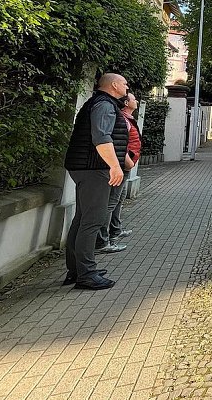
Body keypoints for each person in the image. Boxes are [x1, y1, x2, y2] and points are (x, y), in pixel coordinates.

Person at [62, 72, 130, 289]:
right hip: (94, 168)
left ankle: (77, 269)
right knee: (93, 220)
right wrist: (114, 166)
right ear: (114, 85)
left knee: (83, 219)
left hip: (85, 166)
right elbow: (101, 137)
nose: (127, 87)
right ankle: (86, 274)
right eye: (124, 84)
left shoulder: (99, 103)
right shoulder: (104, 105)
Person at [95, 92, 140, 253]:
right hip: (121, 165)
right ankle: (102, 240)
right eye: (134, 99)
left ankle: (114, 230)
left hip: (124, 164)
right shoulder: (122, 118)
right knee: (111, 202)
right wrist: (127, 160)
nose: (137, 101)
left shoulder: (127, 118)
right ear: (127, 102)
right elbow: (120, 140)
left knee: (118, 199)